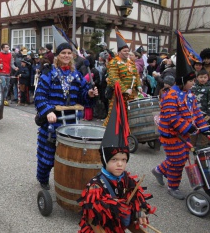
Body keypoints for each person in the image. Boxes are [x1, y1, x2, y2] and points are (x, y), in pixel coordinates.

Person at [78, 82, 156, 233]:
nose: (120, 164)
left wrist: (140, 211)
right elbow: (92, 219)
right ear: (106, 160)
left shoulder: (126, 179)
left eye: (124, 160)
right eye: (114, 160)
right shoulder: (96, 186)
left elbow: (137, 197)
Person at [152, 31, 210, 200]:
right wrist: (189, 127)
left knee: (181, 156)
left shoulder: (189, 94)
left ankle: (158, 170)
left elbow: (196, 113)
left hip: (183, 133)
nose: (193, 83)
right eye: (191, 81)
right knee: (177, 160)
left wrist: (204, 128)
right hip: (171, 134)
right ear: (183, 81)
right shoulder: (171, 95)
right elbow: (172, 118)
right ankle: (173, 187)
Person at [34, 41, 98, 190]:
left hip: (71, 123)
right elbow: (40, 96)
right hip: (52, 121)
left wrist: (89, 94)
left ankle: (66, 182)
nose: (66, 55)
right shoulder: (49, 73)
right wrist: (48, 111)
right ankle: (43, 179)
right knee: (47, 156)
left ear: (73, 55)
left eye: (69, 53)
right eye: (63, 53)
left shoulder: (76, 75)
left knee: (71, 156)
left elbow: (82, 96)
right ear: (58, 55)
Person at [103, 27, 142, 127]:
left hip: (131, 95)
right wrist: (124, 89)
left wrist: (138, 85)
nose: (127, 53)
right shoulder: (114, 63)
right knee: (114, 116)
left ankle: (124, 136)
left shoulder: (131, 63)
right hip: (118, 95)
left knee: (128, 116)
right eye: (124, 51)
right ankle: (104, 134)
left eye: (128, 51)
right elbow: (113, 78)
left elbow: (136, 74)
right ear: (119, 52)